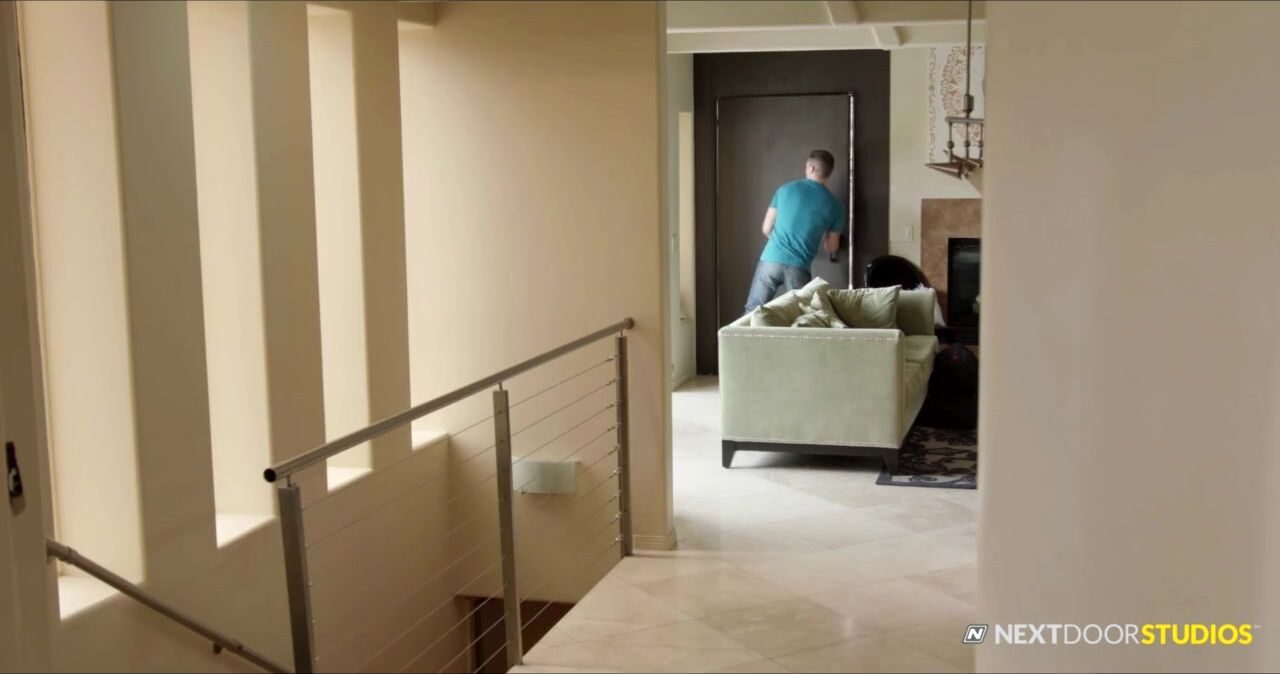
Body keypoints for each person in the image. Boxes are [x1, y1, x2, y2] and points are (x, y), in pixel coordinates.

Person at [744, 149, 844, 313]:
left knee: (753, 311)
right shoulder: (836, 206)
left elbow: (766, 228)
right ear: (829, 172)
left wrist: (780, 241)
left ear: (811, 168)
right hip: (799, 267)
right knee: (801, 317)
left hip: (771, 260)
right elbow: (831, 247)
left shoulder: (785, 190)